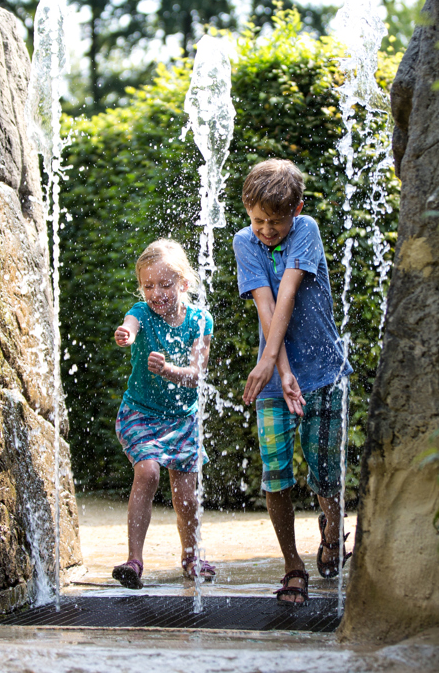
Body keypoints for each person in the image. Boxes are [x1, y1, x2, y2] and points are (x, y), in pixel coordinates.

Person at [232, 159, 353, 606]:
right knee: (276, 474)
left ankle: (332, 530)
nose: (265, 229)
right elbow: (265, 307)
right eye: (258, 219)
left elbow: (287, 294)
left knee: (326, 472)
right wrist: (278, 371)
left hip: (322, 372)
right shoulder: (244, 241)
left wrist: (274, 363)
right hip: (274, 377)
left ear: (296, 210)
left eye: (275, 221)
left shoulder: (307, 230)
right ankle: (292, 564)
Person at [111, 239, 215, 590]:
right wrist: (126, 334)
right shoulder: (141, 313)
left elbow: (197, 375)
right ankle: (134, 560)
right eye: (148, 286)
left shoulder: (200, 321)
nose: (156, 293)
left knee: (186, 493)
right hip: (140, 413)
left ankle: (191, 554)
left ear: (184, 284)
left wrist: (170, 370)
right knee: (149, 471)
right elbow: (131, 324)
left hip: (181, 419)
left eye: (165, 285)